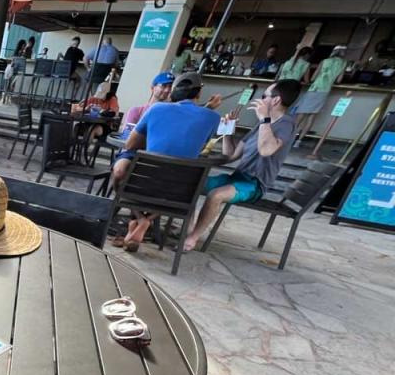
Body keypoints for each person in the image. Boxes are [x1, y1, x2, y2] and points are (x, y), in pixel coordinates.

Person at [183, 78, 302, 252]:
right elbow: (231, 155)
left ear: (276, 100)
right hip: (236, 178)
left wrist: (264, 119)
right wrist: (228, 131)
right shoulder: (260, 126)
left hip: (254, 184)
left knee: (216, 195)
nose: (260, 100)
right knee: (191, 183)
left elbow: (267, 150)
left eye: (264, 95)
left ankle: (193, 237)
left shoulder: (285, 124)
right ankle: (188, 230)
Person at [110, 72, 222, 251]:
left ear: (173, 92)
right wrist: (208, 108)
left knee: (123, 172)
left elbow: (131, 144)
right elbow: (200, 147)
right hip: (178, 191)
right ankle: (147, 220)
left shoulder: (157, 109)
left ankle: (140, 218)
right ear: (198, 94)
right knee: (167, 182)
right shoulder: (213, 117)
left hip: (143, 182)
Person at [293, 45, 347, 146]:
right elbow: (339, 80)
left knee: (301, 115)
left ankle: (290, 137)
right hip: (325, 91)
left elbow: (313, 78)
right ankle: (298, 141)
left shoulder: (324, 61)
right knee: (312, 116)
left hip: (314, 88)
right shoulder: (343, 63)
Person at [120, 71, 175, 136]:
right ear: (152, 88)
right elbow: (126, 138)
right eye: (164, 86)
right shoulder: (136, 112)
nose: (167, 90)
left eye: (170, 87)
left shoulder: (171, 116)